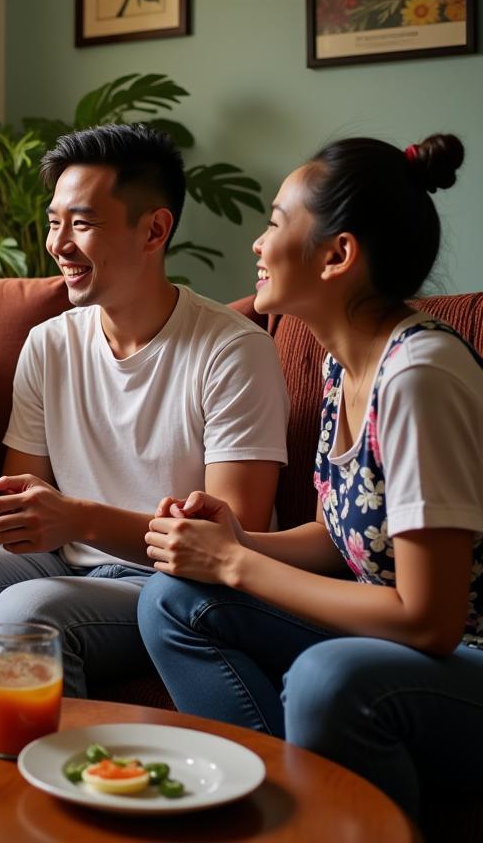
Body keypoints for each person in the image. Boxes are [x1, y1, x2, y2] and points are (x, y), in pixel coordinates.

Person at [137, 134, 483, 820]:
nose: (258, 247)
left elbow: (431, 620)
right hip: (407, 644)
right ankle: (285, 816)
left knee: (330, 678)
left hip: (467, 651)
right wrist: (234, 540)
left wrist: (238, 565)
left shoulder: (418, 380)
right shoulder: (343, 364)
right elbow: (339, 535)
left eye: (273, 222)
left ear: (337, 255)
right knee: (171, 597)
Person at [0, 124, 289, 696]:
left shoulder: (232, 349)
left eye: (81, 223)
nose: (58, 243)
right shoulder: (50, 343)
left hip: (173, 583)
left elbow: (233, 535)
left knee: (28, 615)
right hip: (64, 561)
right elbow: (27, 492)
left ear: (154, 230)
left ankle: (61, 777)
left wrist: (77, 519)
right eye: (54, 222)